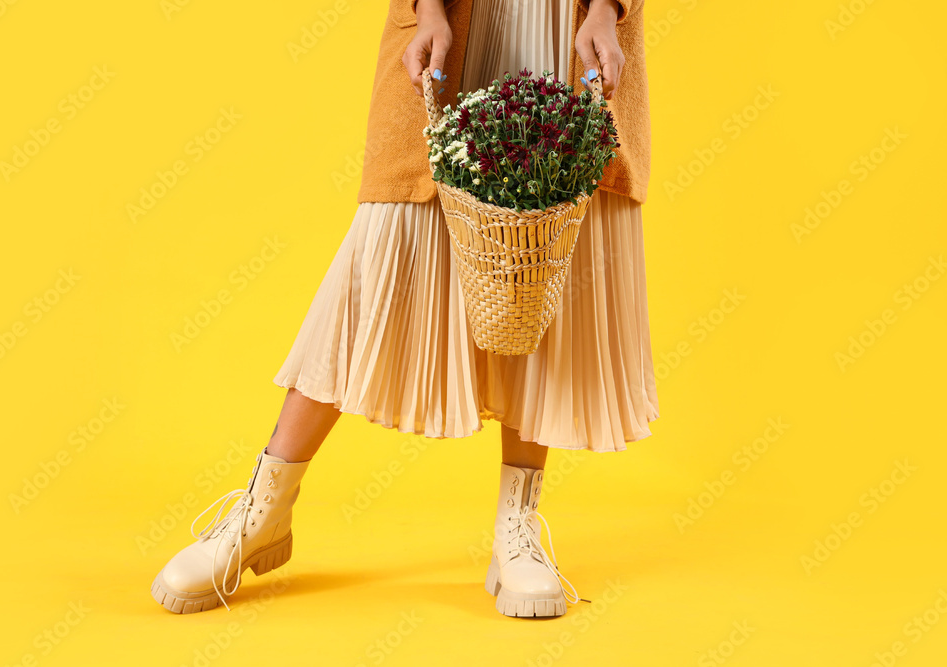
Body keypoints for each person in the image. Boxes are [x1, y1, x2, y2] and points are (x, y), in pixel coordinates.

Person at [150, 0, 656, 619]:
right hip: (450, 27)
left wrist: (606, 10)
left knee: (539, 269)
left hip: (566, 27)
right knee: (375, 272)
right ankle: (265, 508)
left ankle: (516, 529)